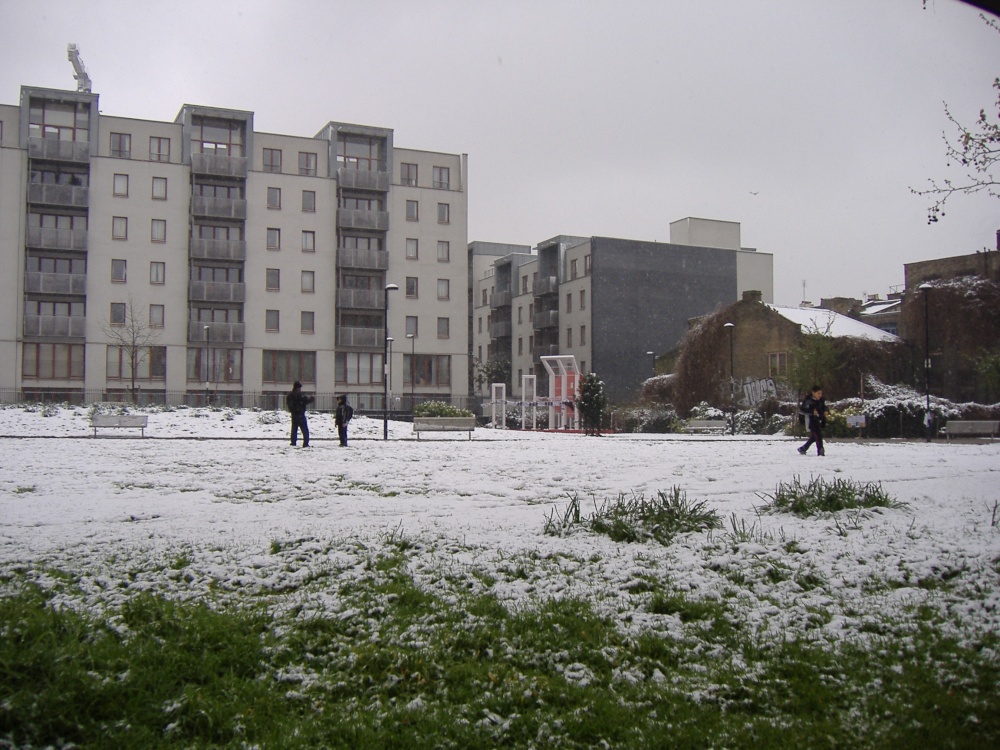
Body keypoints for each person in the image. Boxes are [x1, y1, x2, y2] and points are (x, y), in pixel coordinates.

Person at [798, 385, 827, 456]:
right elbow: (802, 411)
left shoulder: (821, 400)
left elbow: (824, 407)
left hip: (819, 420)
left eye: (821, 393)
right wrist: (811, 412)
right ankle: (820, 450)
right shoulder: (808, 401)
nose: (820, 395)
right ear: (813, 393)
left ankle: (803, 448)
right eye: (818, 393)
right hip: (811, 421)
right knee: (818, 435)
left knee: (814, 436)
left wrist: (826, 411)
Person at [286, 381, 313, 447]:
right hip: (300, 414)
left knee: (294, 429)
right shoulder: (300, 395)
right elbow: (306, 401)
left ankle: (293, 442)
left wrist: (293, 410)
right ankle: (305, 443)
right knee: (304, 430)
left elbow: (289, 404)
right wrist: (311, 399)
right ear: (298, 388)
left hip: (294, 415)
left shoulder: (290, 395)